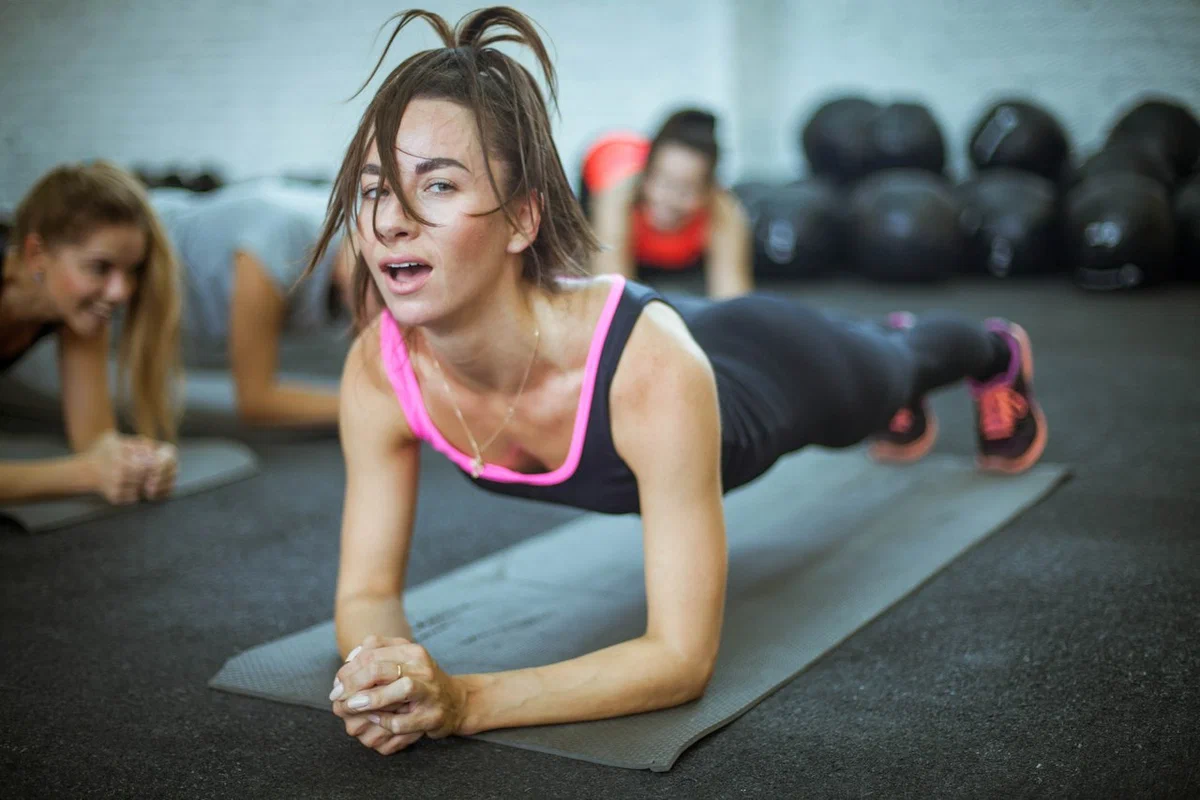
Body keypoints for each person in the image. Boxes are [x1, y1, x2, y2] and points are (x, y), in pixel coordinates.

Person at [311, 7, 1049, 756]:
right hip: (652, 330)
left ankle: (991, 353)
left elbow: (678, 659)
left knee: (894, 365)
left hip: (756, 366)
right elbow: (366, 592)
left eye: (436, 186)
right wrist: (386, 672)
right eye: (374, 189)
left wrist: (463, 699)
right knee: (872, 372)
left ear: (522, 220)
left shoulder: (651, 371)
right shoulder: (381, 370)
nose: (390, 221)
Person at [0, 161, 181, 506]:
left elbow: (94, 436)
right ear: (36, 254)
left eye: (132, 271)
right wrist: (88, 474)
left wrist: (136, 459)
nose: (121, 292)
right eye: (100, 267)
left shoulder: (79, 306)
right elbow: (90, 466)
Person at [148, 178, 358, 428]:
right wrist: (376, 407)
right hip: (144, 234)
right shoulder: (274, 246)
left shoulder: (349, 258)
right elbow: (255, 399)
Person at [581, 109, 754, 299]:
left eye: (686, 190)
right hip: (607, 163)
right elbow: (612, 295)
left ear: (707, 191)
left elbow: (733, 301)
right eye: (662, 183)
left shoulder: (723, 210)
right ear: (645, 175)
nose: (669, 200)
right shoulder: (617, 196)